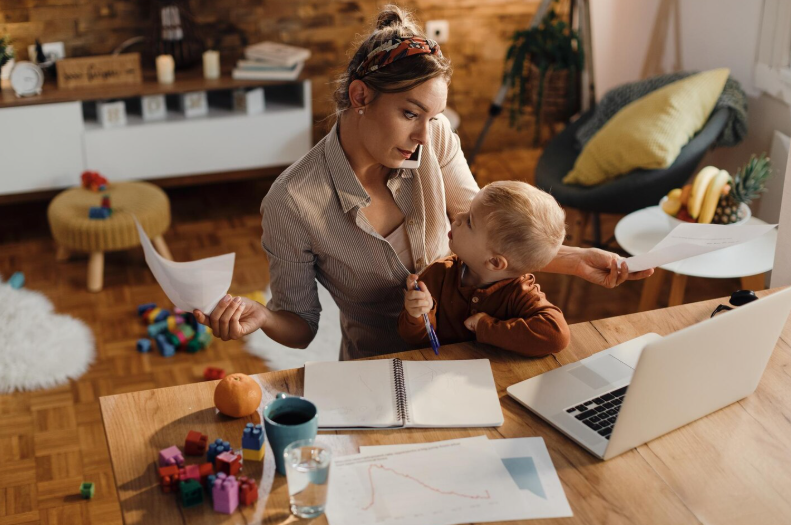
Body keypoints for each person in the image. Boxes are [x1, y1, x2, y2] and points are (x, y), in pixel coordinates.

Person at [194, 5, 653, 360]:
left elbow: (488, 226)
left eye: (431, 117)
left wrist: (572, 260)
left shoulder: (434, 137)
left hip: (468, 356)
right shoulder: (292, 202)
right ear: (360, 96)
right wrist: (265, 318)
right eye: (410, 113)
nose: (423, 135)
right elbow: (302, 326)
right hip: (379, 369)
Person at [398, 180, 570, 356]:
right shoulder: (438, 274)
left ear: (495, 262)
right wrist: (417, 315)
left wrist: (486, 327)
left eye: (470, 222)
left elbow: (557, 336)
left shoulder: (521, 293)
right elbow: (413, 338)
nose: (458, 217)